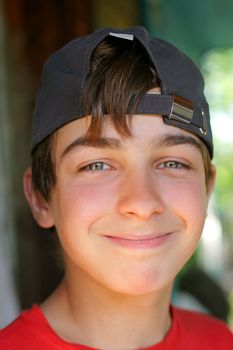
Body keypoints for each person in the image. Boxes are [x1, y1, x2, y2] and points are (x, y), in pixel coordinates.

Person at [0, 26, 232, 349]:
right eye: (96, 165)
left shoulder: (220, 341)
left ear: (207, 189)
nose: (142, 201)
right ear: (41, 198)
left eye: (173, 163)